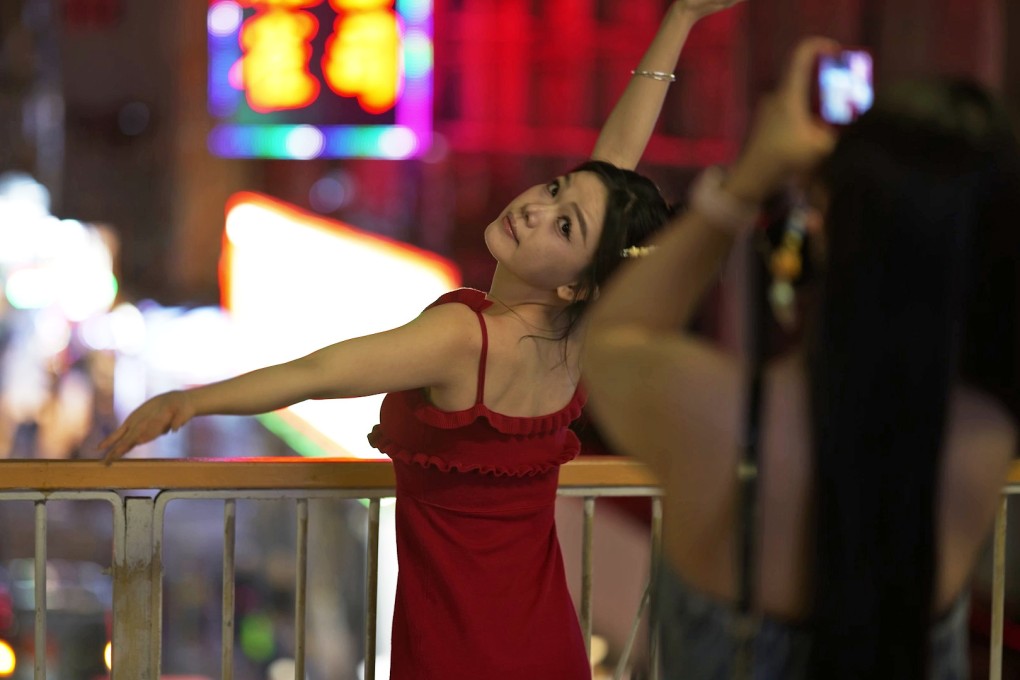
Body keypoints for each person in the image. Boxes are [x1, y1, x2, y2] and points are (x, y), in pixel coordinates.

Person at [98, 2, 747, 678]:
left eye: (563, 227)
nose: (535, 207)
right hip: (544, 645)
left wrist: (191, 404)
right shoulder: (573, 338)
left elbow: (323, 370)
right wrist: (680, 21)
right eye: (554, 189)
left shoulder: (467, 338)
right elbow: (614, 165)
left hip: (459, 651)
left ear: (576, 284)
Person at [582, 38, 1020, 680]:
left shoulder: (721, 421)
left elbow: (612, 337)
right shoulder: (981, 438)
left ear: (829, 228)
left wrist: (746, 182)